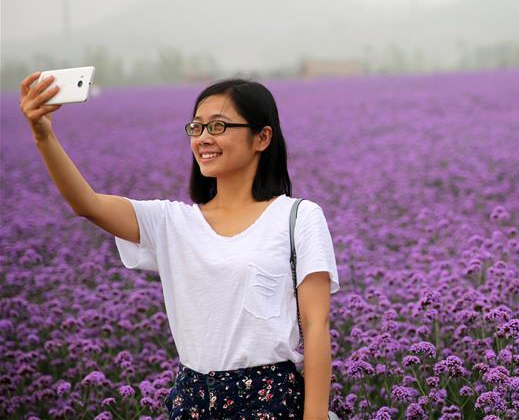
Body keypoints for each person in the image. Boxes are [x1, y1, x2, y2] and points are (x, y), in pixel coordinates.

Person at [19, 71, 340, 419]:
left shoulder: (298, 217)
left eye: (218, 127)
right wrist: (43, 135)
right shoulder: (172, 223)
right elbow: (87, 204)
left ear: (262, 138)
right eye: (196, 127)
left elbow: (316, 327)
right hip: (193, 400)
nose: (203, 138)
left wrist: (315, 416)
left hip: (271, 399)